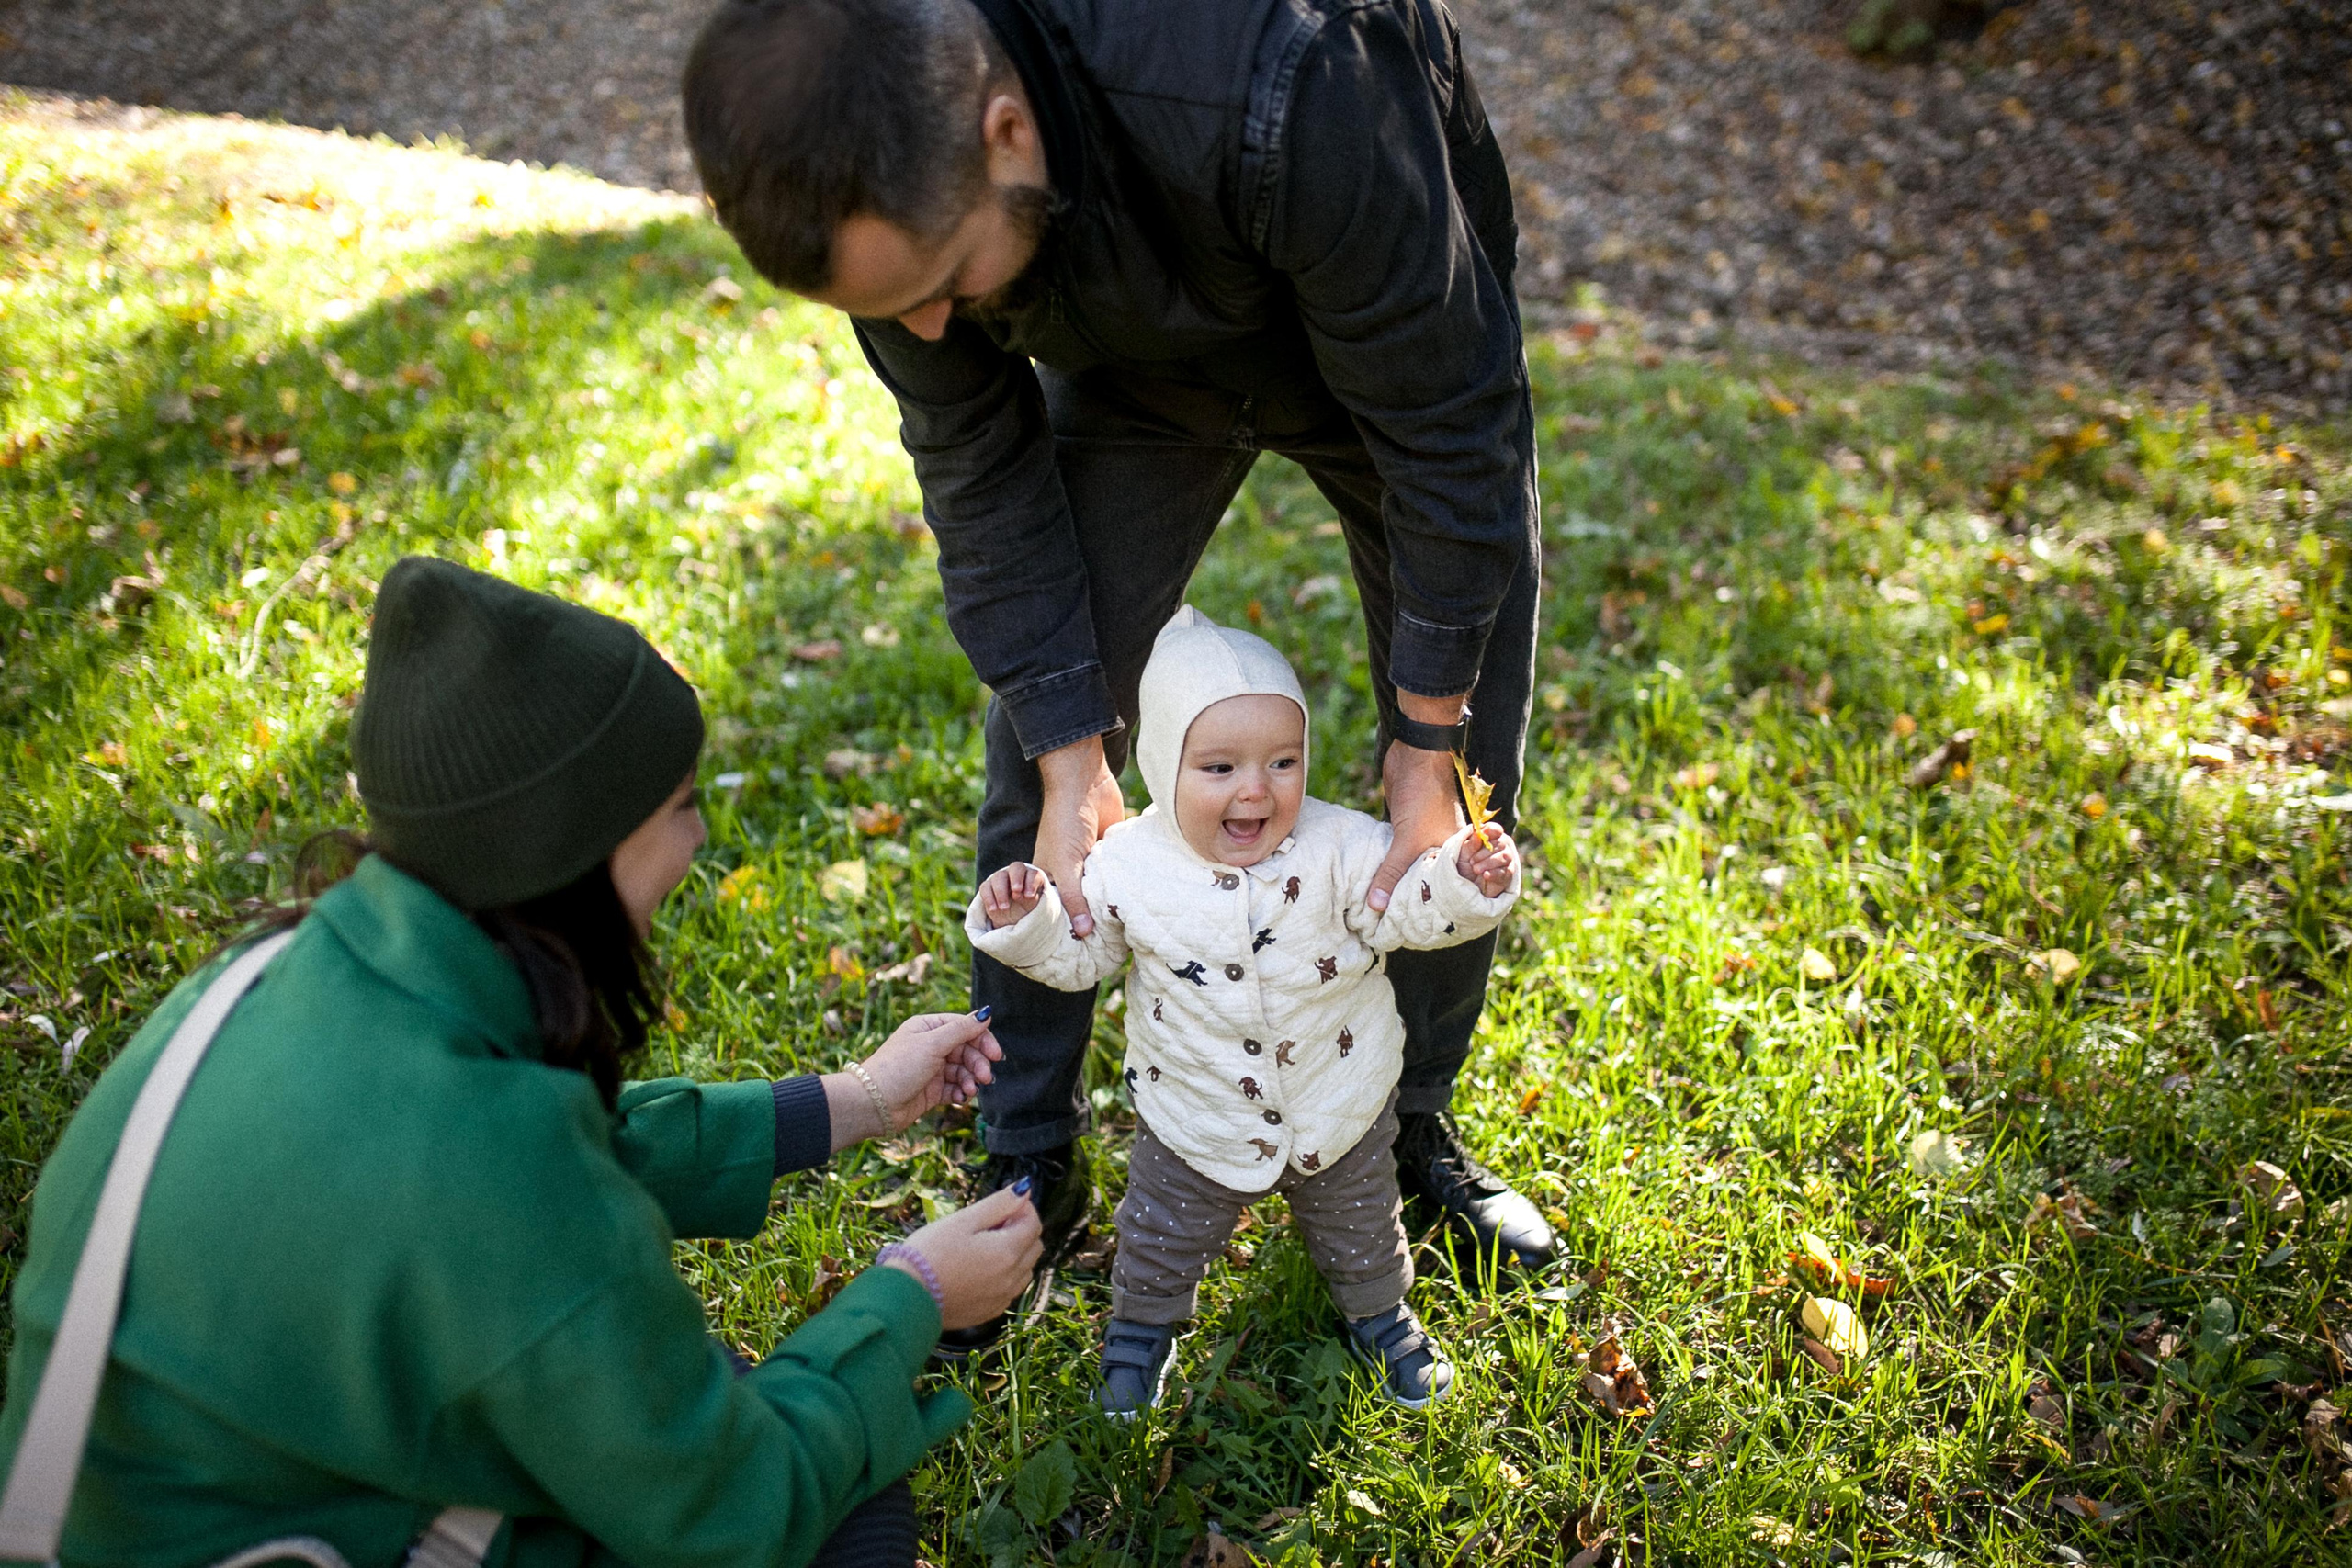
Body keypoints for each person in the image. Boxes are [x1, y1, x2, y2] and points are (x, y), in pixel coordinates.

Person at [683, 0, 1556, 1358]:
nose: (924, 323)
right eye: (884, 307)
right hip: (1142, 372)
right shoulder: (893, 181)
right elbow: (978, 465)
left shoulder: (1298, 70)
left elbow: (1456, 434)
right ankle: (1027, 1151)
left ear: (1008, 129)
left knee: (1456, 769)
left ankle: (1404, 1118)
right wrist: (1069, 754)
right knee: (1040, 731)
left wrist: (1422, 742)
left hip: (1382, 349)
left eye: (940, 281)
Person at [0, 558, 1041, 1567]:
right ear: (573, 857)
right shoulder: (483, 1163)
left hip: (180, 1501)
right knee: (840, 1496)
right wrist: (910, 1293)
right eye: (679, 805)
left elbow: (544, 1167)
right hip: (303, 1529)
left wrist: (853, 1102)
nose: (702, 834)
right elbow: (741, 1507)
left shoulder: (294, 969)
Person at [967, 610, 1518, 1416]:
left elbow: (1405, 906)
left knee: (1363, 1223)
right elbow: (1080, 957)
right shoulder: (1129, 864)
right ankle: (1140, 1328)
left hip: (1339, 1097)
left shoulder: (1341, 844)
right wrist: (1029, 923)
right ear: (1162, 766)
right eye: (1219, 766)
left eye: (1282, 761)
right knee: (1160, 1235)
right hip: (1193, 1110)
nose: (1256, 789)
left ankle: (1381, 1312)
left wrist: (1465, 880)